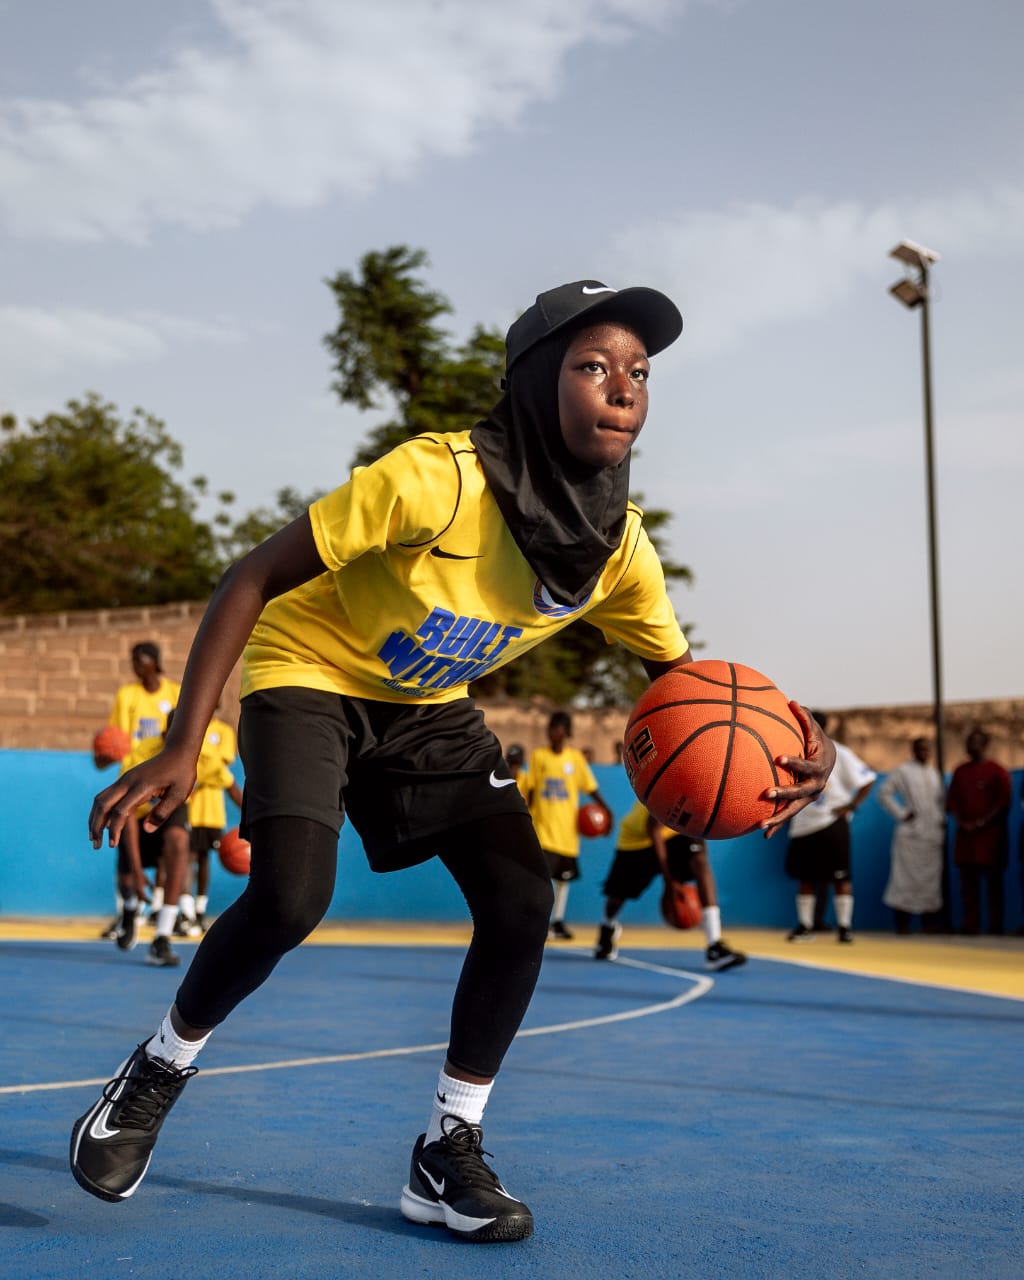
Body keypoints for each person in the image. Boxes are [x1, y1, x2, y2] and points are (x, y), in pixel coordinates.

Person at [72, 277, 834, 1243]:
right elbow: (254, 575)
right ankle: (159, 1068)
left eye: (639, 372)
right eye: (591, 364)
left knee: (523, 902)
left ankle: (447, 1149)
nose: (622, 385)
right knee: (291, 899)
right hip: (310, 669)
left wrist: (808, 748)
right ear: (529, 382)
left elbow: (696, 698)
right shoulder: (439, 480)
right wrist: (186, 740)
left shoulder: (615, 550)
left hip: (427, 708)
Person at [594, 799, 746, 970]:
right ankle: (607, 927)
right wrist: (669, 883)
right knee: (616, 898)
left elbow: (700, 831)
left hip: (675, 834)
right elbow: (653, 829)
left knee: (700, 861)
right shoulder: (669, 789)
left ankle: (714, 946)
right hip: (636, 840)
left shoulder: (708, 791)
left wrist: (698, 856)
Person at [100, 642, 181, 954]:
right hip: (134, 784)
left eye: (140, 659)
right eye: (132, 660)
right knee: (126, 866)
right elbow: (114, 740)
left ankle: (162, 935)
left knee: (178, 844)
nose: (135, 664)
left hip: (167, 784)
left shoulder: (175, 693)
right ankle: (131, 909)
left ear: (155, 662)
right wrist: (105, 753)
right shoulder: (127, 696)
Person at [785, 712, 875, 944]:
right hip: (804, 823)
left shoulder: (838, 752)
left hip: (831, 822)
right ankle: (805, 926)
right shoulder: (794, 752)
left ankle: (845, 927)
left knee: (841, 877)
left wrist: (851, 806)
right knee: (806, 878)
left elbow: (867, 779)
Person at [523, 709, 613, 940]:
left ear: (568, 733)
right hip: (543, 829)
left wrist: (606, 810)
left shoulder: (575, 759)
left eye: (559, 728)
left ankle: (558, 921)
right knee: (541, 879)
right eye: (552, 728)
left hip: (567, 832)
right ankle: (535, 921)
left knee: (563, 880)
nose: (554, 732)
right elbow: (531, 789)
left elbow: (590, 787)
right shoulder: (539, 757)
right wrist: (525, 818)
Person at [179, 712, 244, 935]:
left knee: (204, 858)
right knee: (188, 857)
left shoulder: (223, 732)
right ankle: (186, 913)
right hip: (190, 810)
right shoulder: (191, 727)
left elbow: (223, 768)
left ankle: (199, 910)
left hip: (212, 812)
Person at [946, 727, 1012, 935]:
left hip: (991, 840)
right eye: (968, 741)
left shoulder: (997, 771)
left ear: (983, 745)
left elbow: (1003, 803)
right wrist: (962, 823)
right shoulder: (960, 771)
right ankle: (971, 925)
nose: (969, 745)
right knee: (968, 886)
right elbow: (952, 802)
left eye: (974, 741)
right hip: (966, 841)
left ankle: (995, 926)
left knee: (994, 885)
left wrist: (982, 823)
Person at [877, 737, 945, 934]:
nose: (924, 753)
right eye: (920, 749)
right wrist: (902, 813)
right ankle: (902, 924)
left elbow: (940, 802)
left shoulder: (935, 774)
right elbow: (884, 793)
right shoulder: (903, 771)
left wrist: (940, 818)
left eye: (927, 749)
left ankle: (929, 924)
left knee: (931, 882)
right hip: (911, 835)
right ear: (914, 751)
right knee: (904, 879)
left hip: (932, 835)